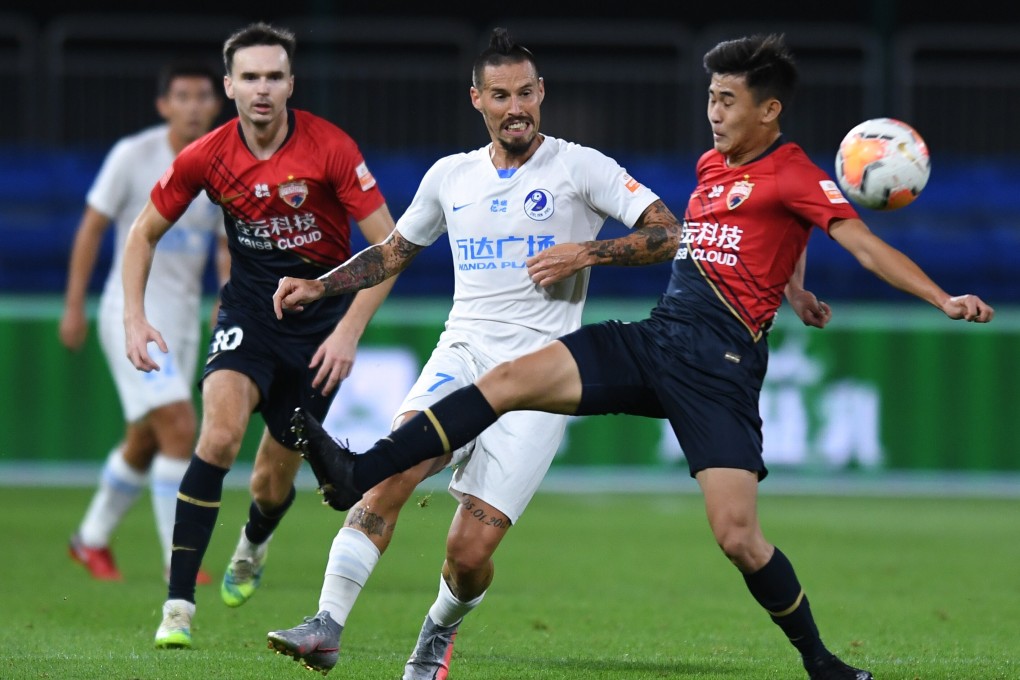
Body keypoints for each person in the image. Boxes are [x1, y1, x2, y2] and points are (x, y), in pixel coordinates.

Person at [279, 33, 995, 680]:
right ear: (479, 100)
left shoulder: (789, 172)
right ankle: (354, 472)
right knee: (500, 383)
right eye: (710, 97)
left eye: (726, 99)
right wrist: (797, 290)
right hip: (656, 337)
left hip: (718, 368)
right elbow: (757, 237)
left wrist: (941, 300)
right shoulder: (712, 165)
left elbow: (851, 240)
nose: (712, 112)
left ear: (769, 111)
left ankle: (822, 663)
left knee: (738, 537)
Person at [120, 22, 398, 649]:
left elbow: (391, 249)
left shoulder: (330, 148)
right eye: (250, 77)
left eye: (274, 76)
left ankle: (254, 541)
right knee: (217, 434)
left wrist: (349, 331)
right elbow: (142, 233)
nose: (263, 89)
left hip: (320, 327)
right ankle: (178, 605)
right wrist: (133, 318)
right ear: (230, 86)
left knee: (271, 480)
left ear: (291, 83)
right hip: (249, 312)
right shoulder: (207, 155)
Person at [60, 60, 226, 583]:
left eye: (202, 96)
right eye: (182, 96)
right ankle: (179, 558)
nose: (194, 106)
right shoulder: (134, 156)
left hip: (180, 321)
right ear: (163, 105)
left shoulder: (222, 162)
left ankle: (88, 539)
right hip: (128, 314)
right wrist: (73, 305)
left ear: (215, 103)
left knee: (148, 437)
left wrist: (226, 296)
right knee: (180, 426)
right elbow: (91, 228)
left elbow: (226, 244)